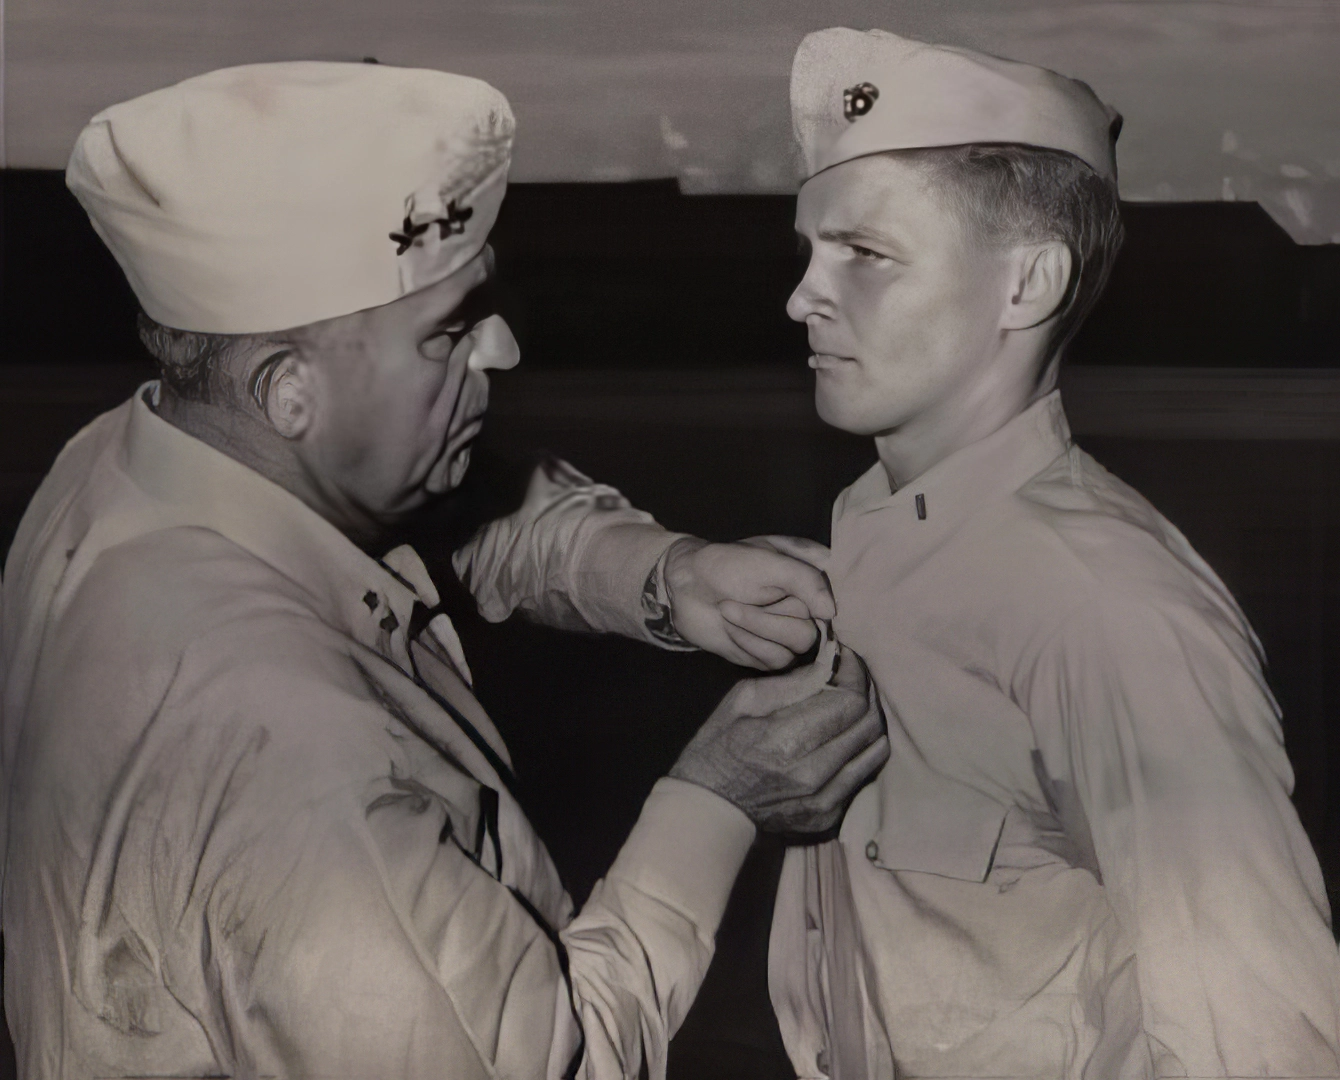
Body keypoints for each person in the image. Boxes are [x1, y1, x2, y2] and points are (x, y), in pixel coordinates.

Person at [0, 62, 891, 1079]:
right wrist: (720, 798)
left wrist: (663, 574)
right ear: (288, 390)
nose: (501, 351)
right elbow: (558, 1066)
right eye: (447, 335)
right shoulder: (296, 761)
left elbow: (440, 503)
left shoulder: (134, 459)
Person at [767, 27, 1340, 1080]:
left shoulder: (1106, 610)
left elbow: (1263, 1048)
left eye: (864, 255)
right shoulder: (870, 521)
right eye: (807, 251)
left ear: (1026, 285)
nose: (802, 295)